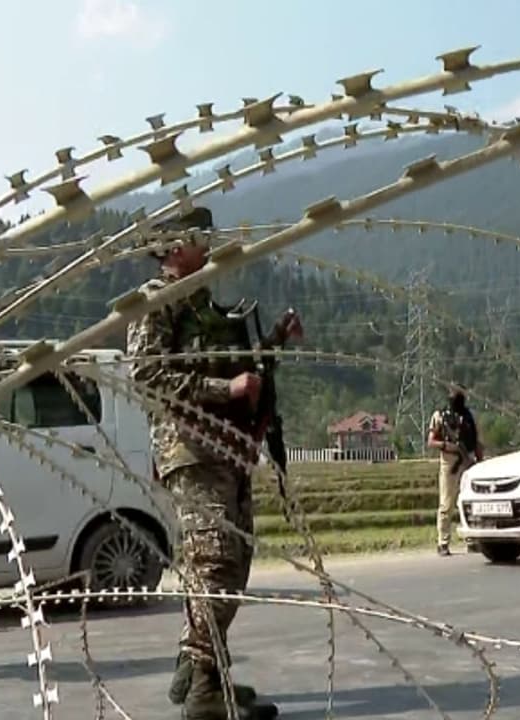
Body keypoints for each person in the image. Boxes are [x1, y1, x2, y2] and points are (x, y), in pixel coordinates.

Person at [127, 207, 299, 720]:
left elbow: (230, 368)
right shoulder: (156, 302)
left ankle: (208, 668)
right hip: (192, 448)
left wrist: (272, 344)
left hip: (226, 448)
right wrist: (227, 389)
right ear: (176, 247)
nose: (210, 246)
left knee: (230, 563)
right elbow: (148, 378)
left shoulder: (199, 303)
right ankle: (203, 688)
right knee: (216, 560)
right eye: (201, 238)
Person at [426, 385, 483, 556]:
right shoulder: (439, 416)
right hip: (449, 461)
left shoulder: (469, 417)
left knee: (468, 502)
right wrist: (446, 445)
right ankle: (443, 542)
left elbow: (477, 442)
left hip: (468, 460)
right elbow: (431, 441)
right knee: (446, 504)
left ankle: (472, 539)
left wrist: (479, 462)